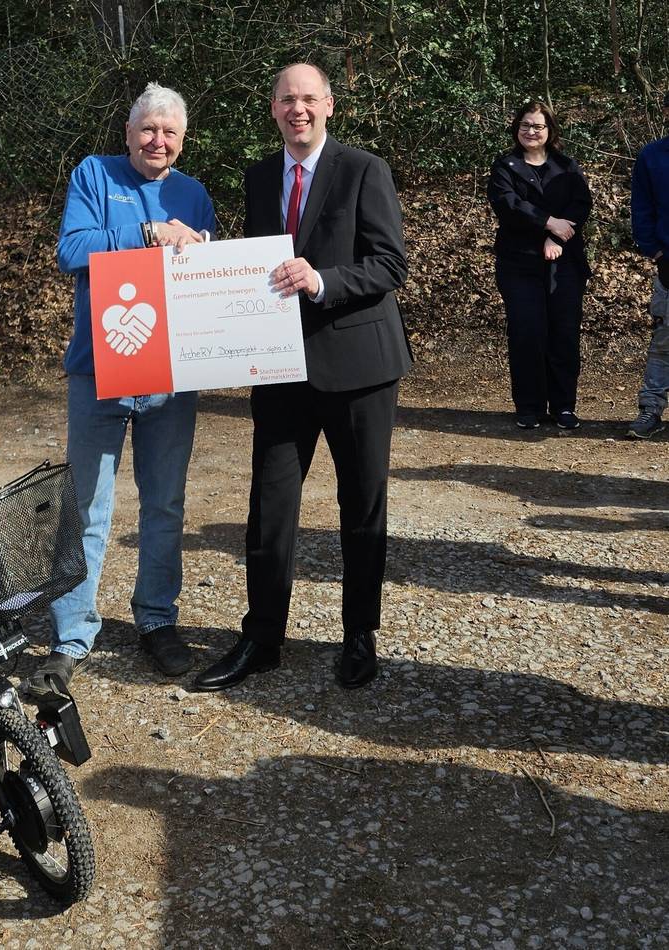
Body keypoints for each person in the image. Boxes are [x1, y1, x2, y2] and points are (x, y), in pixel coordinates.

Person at [192, 63, 411, 693]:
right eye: (287, 100)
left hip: (360, 368)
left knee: (361, 502)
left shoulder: (364, 169)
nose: (298, 110)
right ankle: (262, 637)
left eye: (309, 99)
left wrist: (323, 281)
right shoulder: (260, 177)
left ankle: (359, 636)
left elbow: (389, 263)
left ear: (329, 105)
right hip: (281, 366)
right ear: (273, 109)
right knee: (270, 506)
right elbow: (255, 266)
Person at [23, 82, 215, 691]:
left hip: (170, 371)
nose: (158, 140)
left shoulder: (194, 193)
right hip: (99, 369)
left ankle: (157, 619)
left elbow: (208, 276)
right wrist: (152, 235)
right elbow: (72, 251)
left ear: (182, 141)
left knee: (164, 504)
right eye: (148, 130)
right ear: (129, 134)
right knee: (88, 506)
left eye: (170, 132)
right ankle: (72, 635)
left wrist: (206, 254)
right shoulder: (93, 174)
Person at [487, 101, 592, 431]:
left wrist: (557, 239)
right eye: (525, 125)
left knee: (563, 334)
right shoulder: (505, 166)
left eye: (538, 126)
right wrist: (547, 223)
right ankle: (529, 406)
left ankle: (563, 406)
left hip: (565, 264)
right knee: (527, 332)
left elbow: (582, 204)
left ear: (550, 131)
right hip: (519, 263)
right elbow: (508, 205)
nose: (531, 131)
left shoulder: (566, 166)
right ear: (517, 128)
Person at [627, 91, 669, 440]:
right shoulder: (652, 156)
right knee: (663, 344)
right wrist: (656, 253)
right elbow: (641, 210)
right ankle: (650, 411)